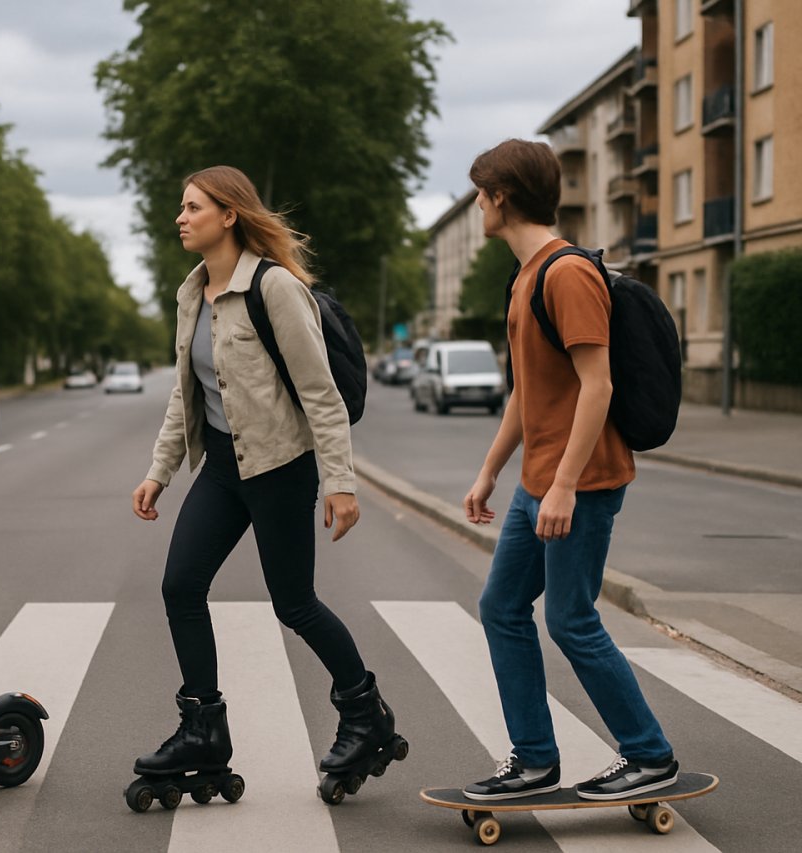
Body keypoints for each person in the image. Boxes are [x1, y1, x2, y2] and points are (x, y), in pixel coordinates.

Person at [130, 164, 400, 787]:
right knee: (180, 586)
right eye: (182, 207)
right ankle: (203, 730)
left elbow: (321, 394)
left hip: (280, 468)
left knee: (294, 603)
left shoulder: (274, 288)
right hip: (223, 469)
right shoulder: (191, 293)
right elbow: (185, 395)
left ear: (229, 215)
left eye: (193, 207)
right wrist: (159, 471)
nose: (180, 217)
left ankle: (366, 716)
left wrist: (340, 482)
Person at [461, 139, 677, 801]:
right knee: (502, 608)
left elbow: (598, 385)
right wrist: (490, 471)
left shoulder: (566, 274)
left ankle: (650, 755)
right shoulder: (524, 276)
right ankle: (534, 759)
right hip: (538, 485)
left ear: (502, 197)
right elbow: (527, 391)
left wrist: (563, 485)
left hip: (580, 485)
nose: (477, 205)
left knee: (572, 619)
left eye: (480, 194)